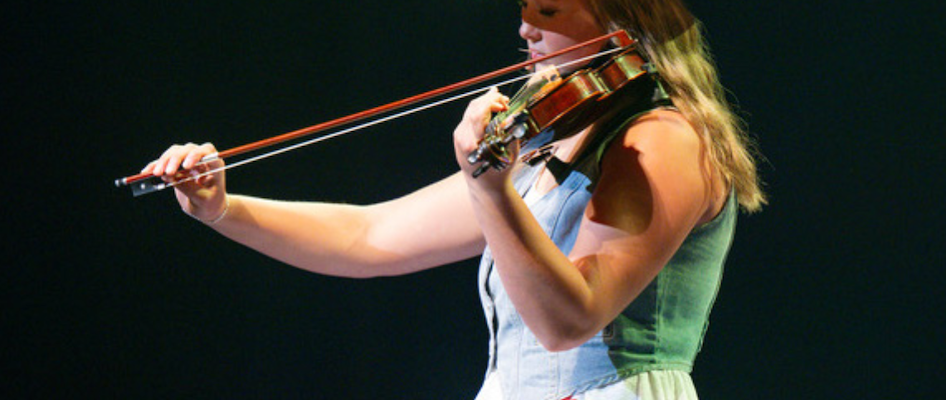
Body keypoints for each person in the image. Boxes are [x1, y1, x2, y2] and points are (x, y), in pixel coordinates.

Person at [143, 0, 764, 398]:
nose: (526, 27)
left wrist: (487, 184)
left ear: (622, 22)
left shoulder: (661, 139)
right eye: (525, 8)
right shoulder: (545, 147)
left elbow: (569, 321)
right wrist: (222, 208)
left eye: (549, 9)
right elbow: (370, 236)